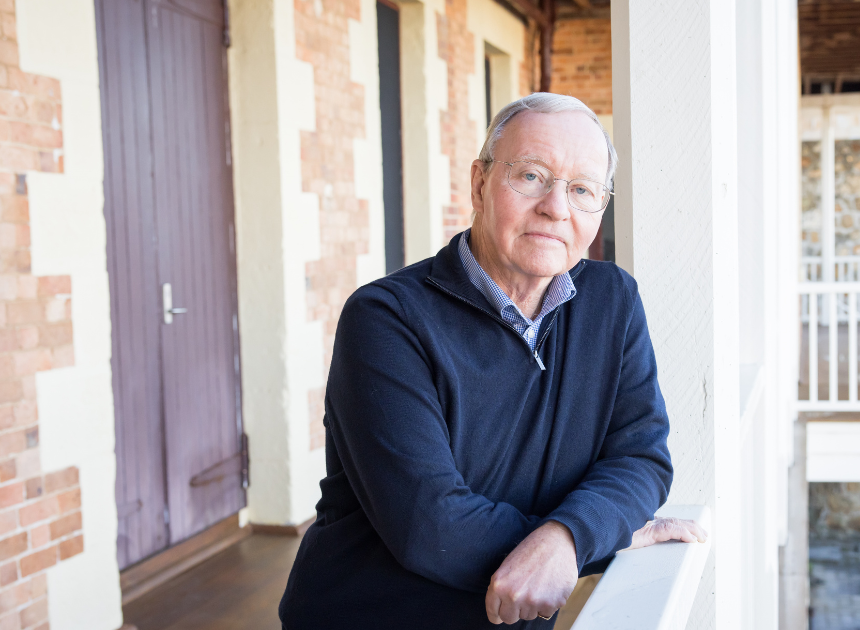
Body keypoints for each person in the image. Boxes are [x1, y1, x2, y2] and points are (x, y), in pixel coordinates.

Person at [279, 93, 706, 629]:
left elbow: (640, 458)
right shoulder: (385, 319)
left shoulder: (612, 301)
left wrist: (570, 534)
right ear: (480, 184)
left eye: (582, 190)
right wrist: (591, 543)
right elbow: (428, 524)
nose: (556, 207)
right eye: (531, 176)